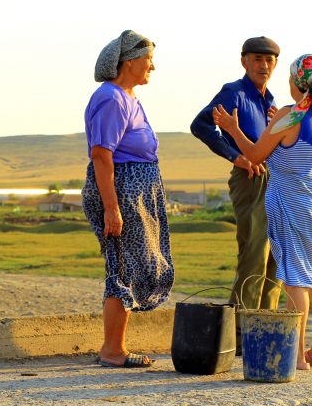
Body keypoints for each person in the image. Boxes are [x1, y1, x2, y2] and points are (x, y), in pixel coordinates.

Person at [213, 53, 312, 370]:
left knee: (295, 279)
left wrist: (232, 127)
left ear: (296, 82)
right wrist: (276, 121)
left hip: (292, 206)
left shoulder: (288, 115)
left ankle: (296, 355)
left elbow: (256, 154)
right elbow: (293, 146)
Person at [82, 30, 175, 368]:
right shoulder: (112, 98)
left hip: (135, 193)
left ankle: (115, 346)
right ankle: (112, 350)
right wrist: (111, 208)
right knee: (123, 267)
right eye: (150, 60)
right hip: (120, 192)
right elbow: (102, 154)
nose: (154, 66)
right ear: (131, 61)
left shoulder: (127, 96)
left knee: (132, 266)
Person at [190, 36, 282, 351]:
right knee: (255, 254)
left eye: (269, 60)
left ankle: (265, 329)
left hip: (276, 179)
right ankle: (240, 336)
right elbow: (200, 125)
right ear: (244, 61)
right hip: (250, 178)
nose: (264, 65)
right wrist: (236, 156)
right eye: (257, 59)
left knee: (276, 259)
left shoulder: (270, 101)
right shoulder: (234, 93)